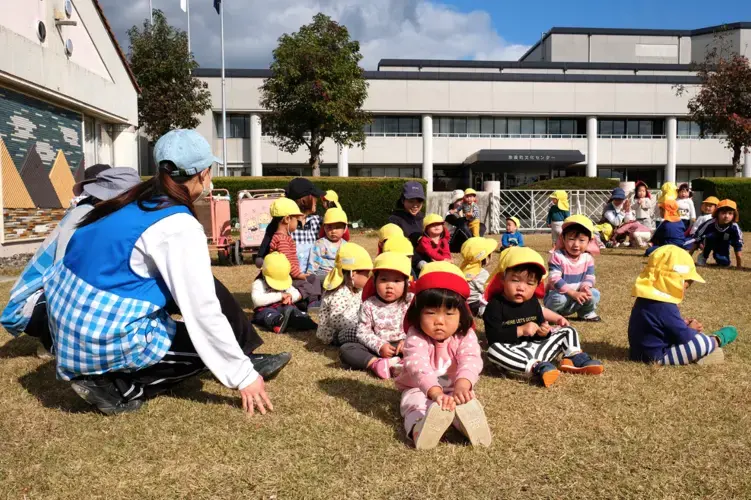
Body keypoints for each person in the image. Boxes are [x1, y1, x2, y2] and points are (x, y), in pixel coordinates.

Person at [42, 129, 283, 415]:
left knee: (203, 297)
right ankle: (116, 385)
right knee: (203, 352)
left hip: (67, 324)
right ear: (204, 174)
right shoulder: (177, 225)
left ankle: (105, 372)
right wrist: (242, 375)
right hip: (95, 336)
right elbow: (201, 309)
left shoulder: (132, 201)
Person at [1, 166, 140, 357]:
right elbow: (63, 271)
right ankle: (52, 340)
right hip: (38, 300)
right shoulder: (83, 215)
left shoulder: (101, 215)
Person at [395, 262, 491, 449]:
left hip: (455, 388)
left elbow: (471, 359)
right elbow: (418, 367)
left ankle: (467, 426)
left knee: (463, 403)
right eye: (431, 313)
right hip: (419, 388)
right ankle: (419, 428)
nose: (439, 321)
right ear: (418, 313)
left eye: (449, 313)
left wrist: (463, 384)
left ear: (462, 315)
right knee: (414, 404)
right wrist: (435, 392)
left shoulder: (465, 335)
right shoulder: (415, 336)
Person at [483, 247, 604, 388]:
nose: (521, 287)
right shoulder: (495, 305)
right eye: (515, 280)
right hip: (512, 352)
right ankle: (536, 368)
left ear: (537, 285)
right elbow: (493, 337)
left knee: (567, 330)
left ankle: (573, 357)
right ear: (503, 279)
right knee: (493, 351)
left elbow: (541, 329)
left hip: (537, 348)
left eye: (529, 283)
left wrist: (544, 332)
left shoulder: (533, 302)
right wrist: (520, 330)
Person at [628, 245, 737, 365]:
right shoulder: (665, 306)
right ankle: (717, 339)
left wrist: (681, 323)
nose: (685, 290)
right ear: (674, 281)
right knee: (699, 342)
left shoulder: (645, 299)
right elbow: (683, 337)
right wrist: (691, 329)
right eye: (686, 286)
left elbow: (658, 325)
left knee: (690, 340)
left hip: (637, 353)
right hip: (657, 356)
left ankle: (702, 354)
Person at [340, 253, 413, 379]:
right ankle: (377, 364)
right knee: (347, 349)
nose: (390, 286)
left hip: (406, 347)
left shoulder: (411, 301)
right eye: (383, 280)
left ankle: (403, 363)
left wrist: (408, 341)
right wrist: (380, 346)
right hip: (379, 349)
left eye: (396, 281)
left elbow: (419, 325)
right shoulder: (369, 305)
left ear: (406, 283)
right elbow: (363, 332)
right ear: (374, 281)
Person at [544, 215, 602, 322]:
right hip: (560, 295)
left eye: (581, 240)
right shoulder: (557, 256)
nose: (576, 244)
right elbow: (554, 278)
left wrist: (585, 287)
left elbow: (590, 276)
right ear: (563, 239)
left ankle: (586, 313)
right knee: (559, 298)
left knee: (594, 294)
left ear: (589, 242)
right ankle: (552, 315)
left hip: (578, 296)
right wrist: (573, 293)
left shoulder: (587, 258)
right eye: (571, 239)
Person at [267, 197, 322, 306]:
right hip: (287, 277)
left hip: (292, 275)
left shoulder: (284, 237)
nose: (298, 223)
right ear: (287, 219)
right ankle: (310, 302)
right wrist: (300, 275)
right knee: (307, 284)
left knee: (313, 279)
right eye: (296, 220)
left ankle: (311, 300)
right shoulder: (282, 240)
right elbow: (287, 263)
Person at [316, 243, 373, 345]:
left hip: (352, 324)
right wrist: (359, 324)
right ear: (353, 274)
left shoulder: (357, 289)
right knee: (359, 333)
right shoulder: (339, 293)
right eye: (366, 274)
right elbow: (336, 320)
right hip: (335, 334)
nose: (368, 278)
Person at [251, 252, 317, 333]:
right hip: (265, 309)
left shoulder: (286, 283)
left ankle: (302, 319)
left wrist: (290, 296)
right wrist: (280, 295)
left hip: (283, 307)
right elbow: (257, 300)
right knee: (266, 314)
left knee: (291, 309)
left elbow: (295, 292)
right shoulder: (259, 283)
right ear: (264, 275)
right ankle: (277, 323)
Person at [287, 177, 325, 274]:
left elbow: (342, 233)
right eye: (314, 197)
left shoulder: (317, 221)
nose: (317, 200)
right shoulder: (287, 223)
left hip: (313, 275)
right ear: (304, 200)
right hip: (291, 274)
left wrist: (331, 207)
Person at [388, 181, 426, 272]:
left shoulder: (423, 218)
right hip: (404, 263)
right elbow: (399, 246)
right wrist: (419, 262)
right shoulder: (395, 220)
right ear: (402, 200)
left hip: (426, 261)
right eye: (411, 201)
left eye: (419, 201)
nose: (415, 205)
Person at [695, 199, 743, 268]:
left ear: (734, 215)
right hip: (709, 240)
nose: (726, 216)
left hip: (724, 242)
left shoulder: (734, 227)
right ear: (717, 213)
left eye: (730, 213)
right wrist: (689, 255)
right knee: (711, 237)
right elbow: (697, 236)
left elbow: (737, 245)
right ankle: (703, 256)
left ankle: (722, 257)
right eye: (723, 213)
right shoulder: (710, 224)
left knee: (724, 263)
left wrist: (739, 264)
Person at [459, 237, 498, 316]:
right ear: (484, 257)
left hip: (463, 304)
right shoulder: (481, 273)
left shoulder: (463, 269)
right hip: (476, 305)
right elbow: (488, 291)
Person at [308, 207, 348, 278]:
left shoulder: (346, 246)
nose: (333, 231)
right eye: (329, 227)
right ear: (324, 228)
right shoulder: (319, 244)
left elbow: (349, 263)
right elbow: (313, 264)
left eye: (337, 227)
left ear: (344, 229)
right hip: (323, 276)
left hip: (341, 277)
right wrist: (311, 278)